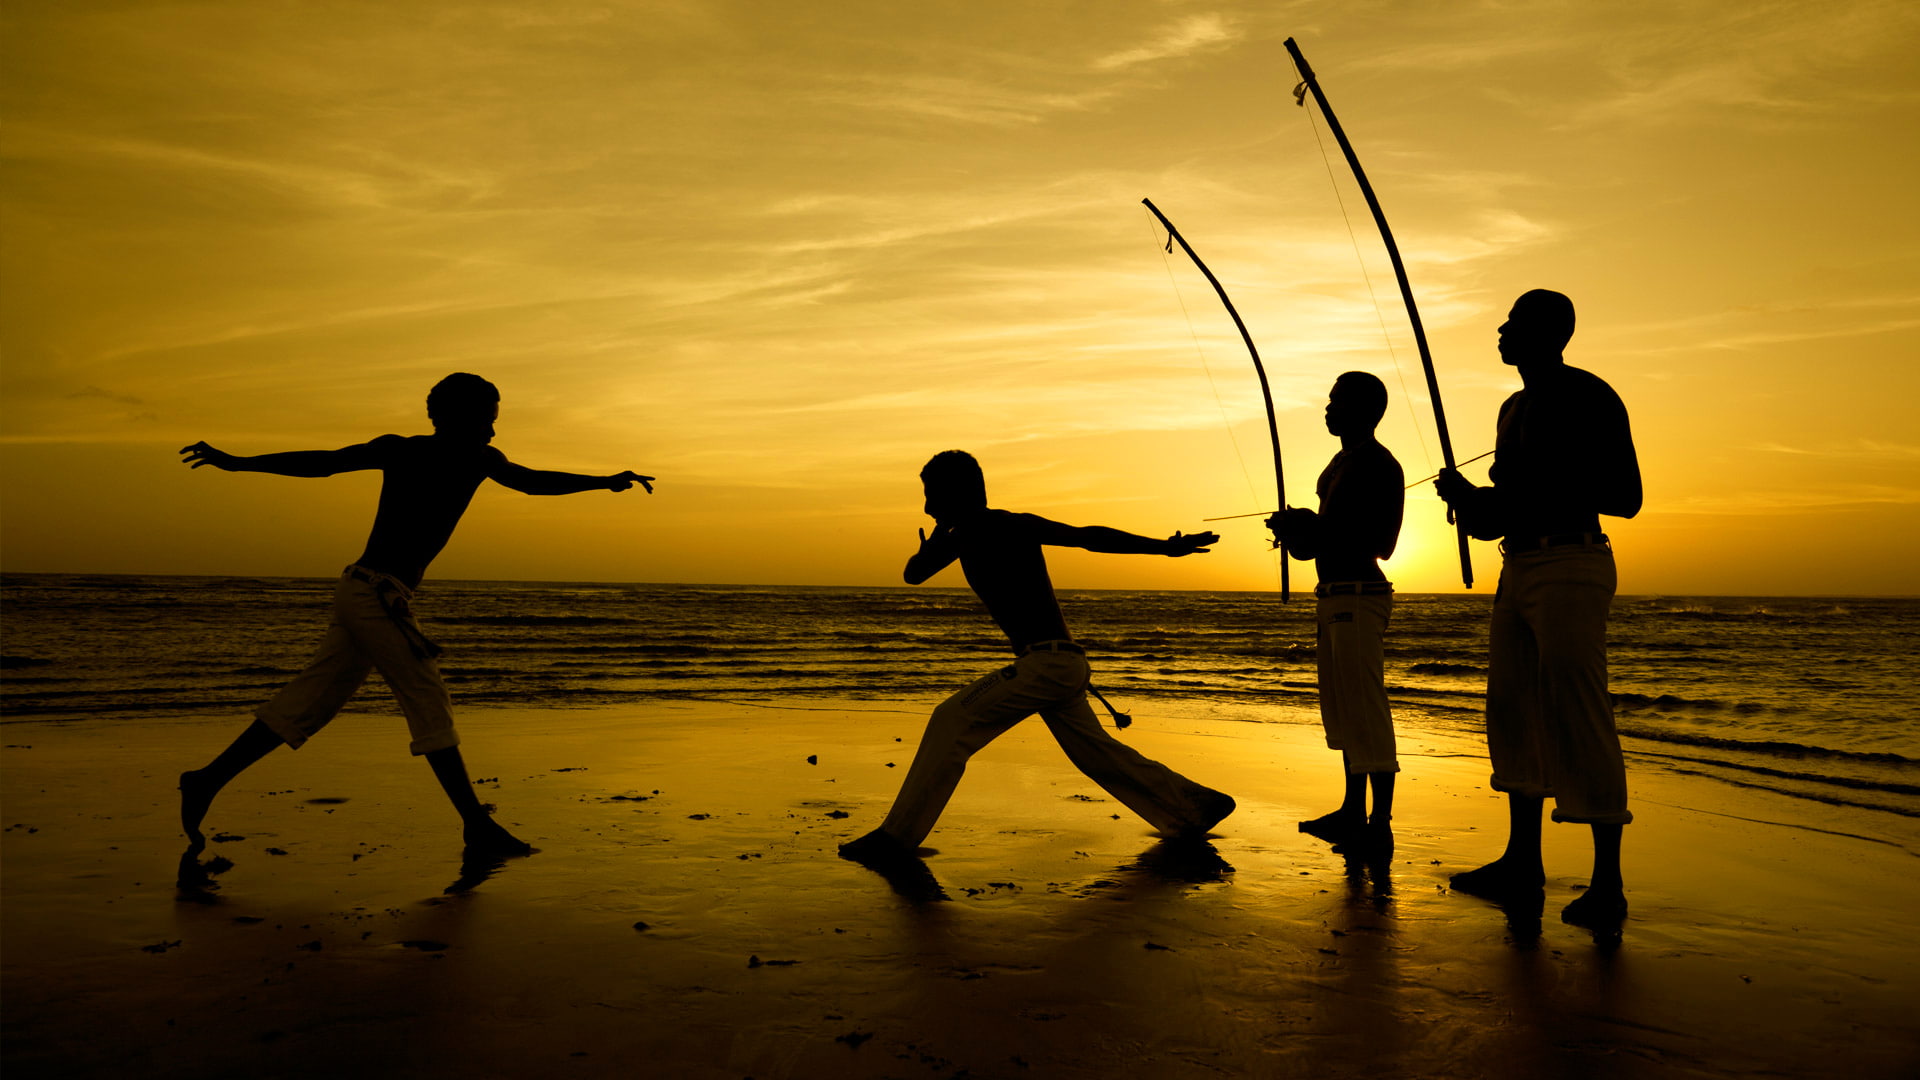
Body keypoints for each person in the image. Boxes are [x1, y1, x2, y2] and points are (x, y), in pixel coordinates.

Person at [176, 373, 653, 856]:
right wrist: (237, 464)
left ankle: (206, 780)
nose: (492, 432)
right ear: (452, 417)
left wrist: (602, 482)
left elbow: (532, 483)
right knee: (427, 697)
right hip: (374, 596)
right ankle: (476, 826)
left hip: (365, 592)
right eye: (487, 420)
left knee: (310, 700)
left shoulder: (473, 458)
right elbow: (323, 463)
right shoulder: (413, 451)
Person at [839, 450, 1236, 866]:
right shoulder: (964, 535)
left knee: (951, 720)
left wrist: (1162, 548)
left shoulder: (1003, 525)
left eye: (932, 494)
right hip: (1058, 666)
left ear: (959, 492)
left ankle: (896, 838)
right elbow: (914, 574)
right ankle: (1195, 807)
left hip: (1048, 665)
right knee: (1097, 754)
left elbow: (1089, 536)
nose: (926, 506)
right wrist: (936, 540)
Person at [1434, 289, 1642, 927]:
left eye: (1513, 323)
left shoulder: (1589, 395)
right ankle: (1523, 862)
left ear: (1549, 332)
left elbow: (1626, 496)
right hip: (1518, 565)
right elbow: (1502, 513)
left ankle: (1608, 883)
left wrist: (1528, 483)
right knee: (1512, 709)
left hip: (1572, 564)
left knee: (1578, 710)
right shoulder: (1511, 407)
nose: (1500, 330)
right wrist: (1470, 502)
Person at [1267, 372, 1404, 852]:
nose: (1328, 408)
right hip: (1331, 593)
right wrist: (1295, 531)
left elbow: (1380, 544)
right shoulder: (1338, 464)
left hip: (1359, 594)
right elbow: (1315, 548)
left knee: (1365, 707)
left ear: (1365, 410)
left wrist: (1314, 526)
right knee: (1343, 708)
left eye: (1337, 401)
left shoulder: (1379, 464)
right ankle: (1352, 810)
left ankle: (1379, 822)